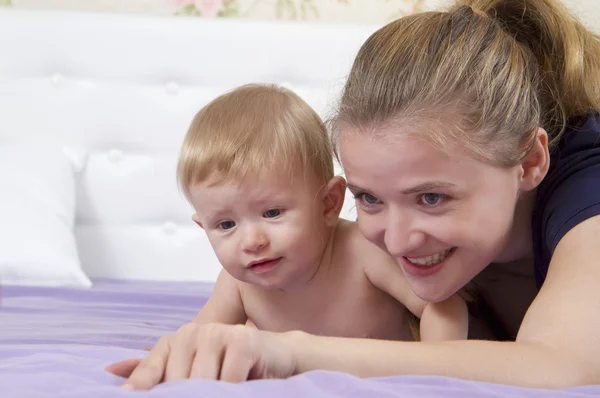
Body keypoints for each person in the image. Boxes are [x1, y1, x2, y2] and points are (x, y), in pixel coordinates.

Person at [106, 0, 600, 389]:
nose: (398, 242)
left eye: (431, 198)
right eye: (368, 198)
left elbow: (560, 366)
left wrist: (289, 352)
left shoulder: (588, 191)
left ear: (530, 162)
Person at [124, 83, 473, 360]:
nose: (252, 240)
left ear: (328, 204)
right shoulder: (238, 284)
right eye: (226, 225)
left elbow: (442, 305)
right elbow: (200, 336)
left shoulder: (363, 253)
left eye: (272, 213)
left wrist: (435, 369)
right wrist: (167, 357)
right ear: (204, 228)